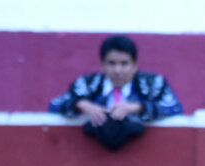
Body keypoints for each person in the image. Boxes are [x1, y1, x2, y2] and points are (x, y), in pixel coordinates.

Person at [48, 34, 183, 151]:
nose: (118, 70)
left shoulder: (153, 84)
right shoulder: (87, 84)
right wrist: (81, 105)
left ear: (135, 65)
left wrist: (138, 107)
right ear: (102, 65)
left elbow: (175, 108)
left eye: (124, 64)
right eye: (111, 63)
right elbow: (54, 105)